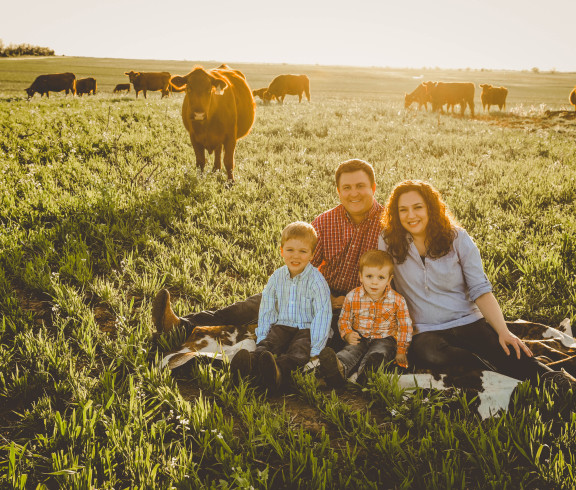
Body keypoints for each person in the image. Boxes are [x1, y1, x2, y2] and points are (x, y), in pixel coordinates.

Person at [152, 159, 384, 350]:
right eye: (347, 187)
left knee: (314, 334)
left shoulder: (387, 227)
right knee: (253, 304)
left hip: (362, 303)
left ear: (373, 188)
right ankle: (182, 325)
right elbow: (301, 266)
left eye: (360, 186)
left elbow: (393, 279)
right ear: (338, 191)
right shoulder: (325, 222)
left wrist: (349, 302)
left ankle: (269, 356)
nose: (354, 193)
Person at [377, 179, 574, 388]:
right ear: (396, 214)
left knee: (505, 349)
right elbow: (387, 288)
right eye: (403, 210)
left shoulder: (457, 238)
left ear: (430, 208)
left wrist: (503, 331)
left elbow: (480, 289)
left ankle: (557, 382)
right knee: (431, 355)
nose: (411, 215)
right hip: (425, 329)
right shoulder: (389, 241)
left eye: (417, 207)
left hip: (467, 321)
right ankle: (491, 371)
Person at [230, 222, 332, 391]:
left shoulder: (317, 281)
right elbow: (267, 307)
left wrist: (316, 348)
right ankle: (249, 364)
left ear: (312, 255)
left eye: (303, 251)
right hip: (283, 324)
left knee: (298, 352)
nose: (296, 256)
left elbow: (323, 315)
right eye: (290, 250)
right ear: (282, 251)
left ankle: (277, 371)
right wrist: (263, 334)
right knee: (269, 343)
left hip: (306, 329)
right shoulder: (277, 277)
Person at [319, 250, 413, 386]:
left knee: (379, 352)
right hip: (360, 335)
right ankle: (337, 369)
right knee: (350, 351)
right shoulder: (352, 296)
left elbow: (405, 326)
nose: (374, 282)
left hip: (385, 338)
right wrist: (347, 334)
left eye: (381, 277)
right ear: (361, 277)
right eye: (369, 276)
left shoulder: (397, 300)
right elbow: (344, 319)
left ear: (389, 279)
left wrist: (401, 350)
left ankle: (367, 373)